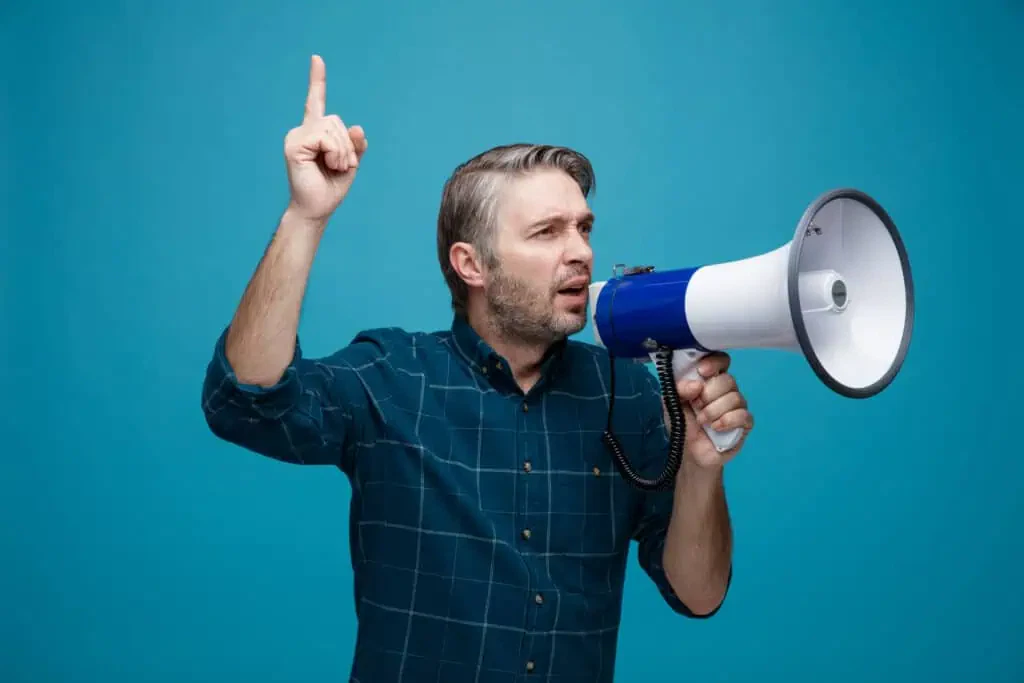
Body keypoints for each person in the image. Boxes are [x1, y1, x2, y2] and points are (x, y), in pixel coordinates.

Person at [202, 55, 753, 683]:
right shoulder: (392, 377)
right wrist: (306, 217)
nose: (581, 252)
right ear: (472, 265)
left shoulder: (625, 389)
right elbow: (244, 403)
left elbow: (697, 594)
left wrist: (702, 470)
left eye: (583, 228)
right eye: (546, 233)